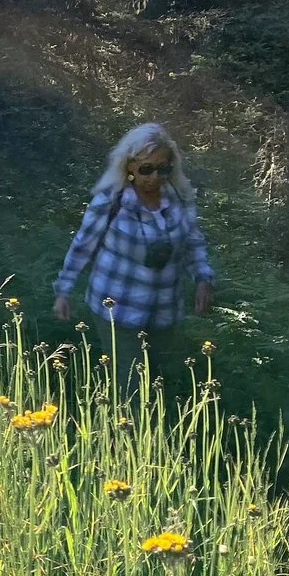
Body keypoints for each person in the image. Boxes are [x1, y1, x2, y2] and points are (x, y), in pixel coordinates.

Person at [52, 122, 215, 392]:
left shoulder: (178, 199)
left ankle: (149, 431)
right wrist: (64, 291)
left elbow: (193, 241)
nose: (154, 177)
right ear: (129, 166)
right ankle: (125, 431)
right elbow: (83, 245)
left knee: (158, 382)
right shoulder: (110, 201)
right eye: (146, 169)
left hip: (164, 310)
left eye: (163, 168)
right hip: (117, 308)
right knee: (132, 387)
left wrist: (203, 278)